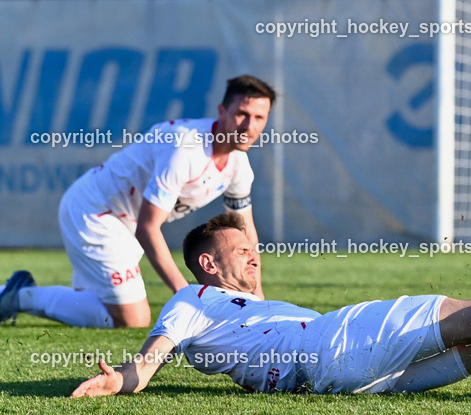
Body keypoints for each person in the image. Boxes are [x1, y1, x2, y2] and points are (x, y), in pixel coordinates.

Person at [70, 213, 471, 397]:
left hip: (344, 382)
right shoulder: (195, 297)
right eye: (242, 249)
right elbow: (151, 359)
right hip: (326, 346)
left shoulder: (242, 307)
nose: (255, 254)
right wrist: (122, 377)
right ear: (209, 263)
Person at [0, 75, 276, 328]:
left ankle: (22, 293)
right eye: (242, 114)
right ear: (221, 111)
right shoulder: (186, 149)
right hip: (97, 213)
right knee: (134, 318)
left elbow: (245, 233)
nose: (249, 126)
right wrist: (188, 296)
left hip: (125, 224)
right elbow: (148, 227)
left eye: (259, 118)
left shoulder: (239, 166)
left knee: (101, 305)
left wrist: (257, 294)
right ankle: (17, 296)